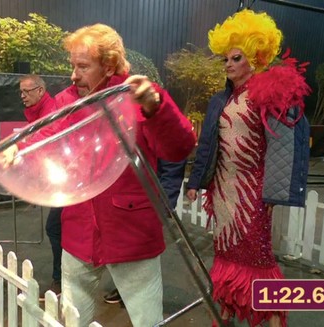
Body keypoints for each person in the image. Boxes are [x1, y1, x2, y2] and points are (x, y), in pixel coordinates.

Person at [52, 24, 196, 327]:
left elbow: (179, 147)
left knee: (146, 320)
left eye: (82, 66)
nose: (73, 75)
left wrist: (154, 106)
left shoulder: (139, 97)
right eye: (72, 66)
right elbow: (45, 140)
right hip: (77, 231)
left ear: (108, 65)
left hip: (131, 231)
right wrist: (20, 152)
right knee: (72, 320)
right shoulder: (66, 101)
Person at [186, 10, 310, 327]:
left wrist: (276, 190)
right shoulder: (220, 100)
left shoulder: (268, 93)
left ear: (254, 56)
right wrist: (196, 182)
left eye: (235, 58)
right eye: (225, 59)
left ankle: (272, 317)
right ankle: (225, 311)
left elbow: (285, 142)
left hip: (253, 191)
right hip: (223, 189)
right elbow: (208, 145)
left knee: (258, 256)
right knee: (225, 251)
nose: (228, 64)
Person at [103, 158, 187, 305]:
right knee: (124, 253)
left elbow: (172, 165)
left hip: (145, 203)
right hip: (118, 200)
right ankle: (123, 288)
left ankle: (131, 291)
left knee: (140, 258)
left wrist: (163, 207)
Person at [18, 74, 63, 299]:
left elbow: (47, 139)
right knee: (59, 229)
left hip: (68, 179)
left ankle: (62, 280)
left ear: (40, 90)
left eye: (26, 91)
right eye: (21, 92)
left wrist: (18, 148)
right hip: (61, 179)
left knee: (56, 228)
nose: (22, 96)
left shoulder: (51, 109)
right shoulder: (36, 112)